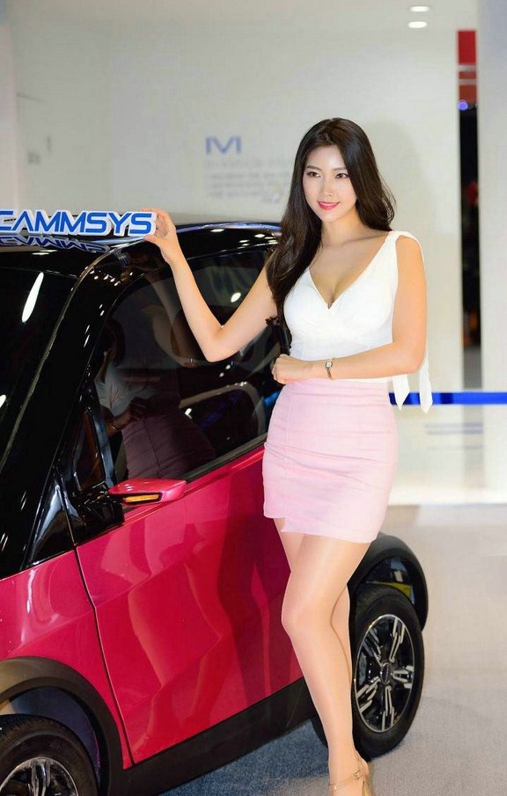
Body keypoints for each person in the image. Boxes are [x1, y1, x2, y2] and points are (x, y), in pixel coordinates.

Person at [143, 117, 430, 796]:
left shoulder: (398, 249)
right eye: (313, 173)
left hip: (359, 449)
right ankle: (351, 759)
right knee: (323, 611)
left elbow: (407, 352)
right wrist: (176, 260)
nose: (326, 188)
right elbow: (217, 343)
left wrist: (312, 369)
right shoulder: (288, 259)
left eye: (340, 173)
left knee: (300, 613)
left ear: (361, 176)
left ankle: (343, 770)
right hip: (296, 448)